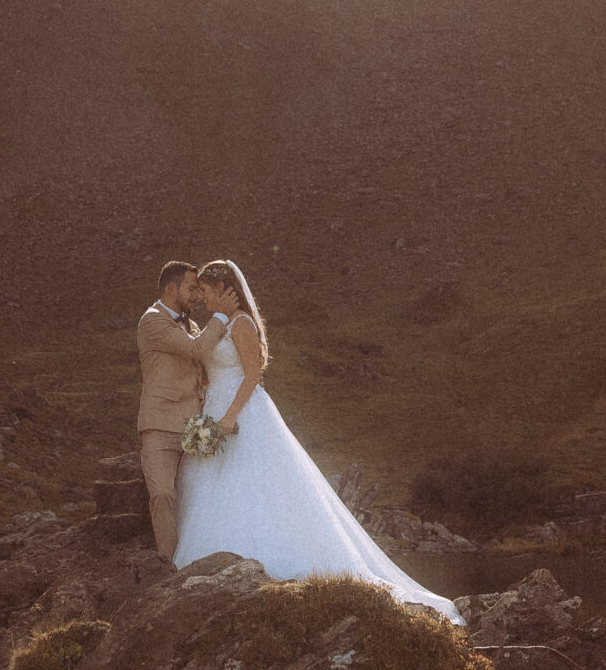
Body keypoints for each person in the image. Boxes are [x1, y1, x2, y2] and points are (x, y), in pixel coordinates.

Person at [174, 257, 459, 623]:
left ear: (224, 290)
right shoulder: (216, 325)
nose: (202, 297)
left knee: (252, 484)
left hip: (240, 411)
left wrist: (230, 415)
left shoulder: (241, 323)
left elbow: (252, 374)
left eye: (207, 290)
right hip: (214, 408)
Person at [136, 260, 226, 561]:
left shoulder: (193, 325)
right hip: (160, 427)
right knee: (162, 495)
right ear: (171, 288)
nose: (197, 296)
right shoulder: (152, 321)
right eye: (190, 289)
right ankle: (169, 568)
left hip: (194, 425)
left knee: (207, 492)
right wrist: (223, 314)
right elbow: (198, 349)